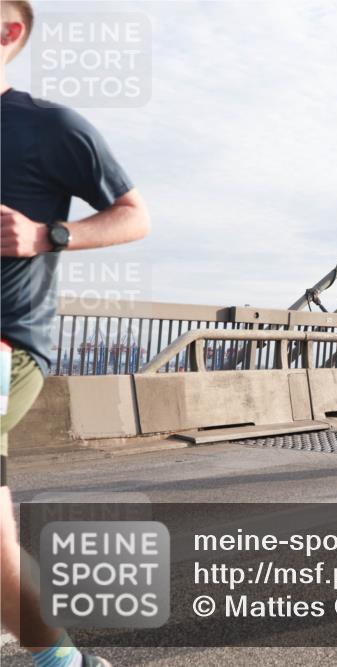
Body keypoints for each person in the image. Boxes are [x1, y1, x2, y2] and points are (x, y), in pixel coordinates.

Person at [1, 2, 150, 665]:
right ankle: (63, 659)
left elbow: (133, 215)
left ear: (9, 33)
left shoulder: (47, 127)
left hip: (8, 344)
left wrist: (47, 234)